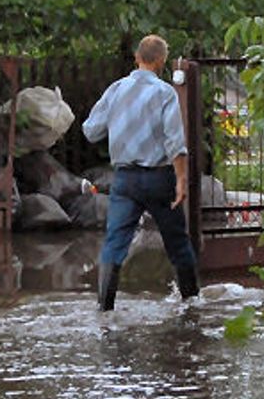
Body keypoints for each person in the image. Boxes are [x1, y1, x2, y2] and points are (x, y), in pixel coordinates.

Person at [82, 34, 199, 311]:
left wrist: (120, 124)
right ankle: (192, 302)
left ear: (137, 57)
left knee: (114, 242)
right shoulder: (164, 92)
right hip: (159, 179)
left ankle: (105, 309)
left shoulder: (116, 89)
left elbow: (90, 131)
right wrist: (181, 180)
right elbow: (174, 142)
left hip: (124, 180)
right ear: (161, 61)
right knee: (177, 242)